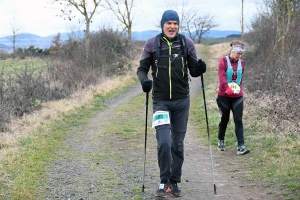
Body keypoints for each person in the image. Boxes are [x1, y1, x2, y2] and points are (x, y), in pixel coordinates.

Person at [137, 9, 206, 198]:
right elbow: (142, 69)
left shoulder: (186, 43)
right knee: (164, 143)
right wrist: (144, 82)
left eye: (175, 23)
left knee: (178, 144)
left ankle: (174, 182)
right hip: (160, 102)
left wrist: (200, 68)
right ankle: (163, 180)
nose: (172, 26)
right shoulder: (152, 44)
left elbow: (193, 70)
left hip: (182, 101)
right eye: (169, 23)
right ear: (163, 25)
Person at [216, 40, 250, 155]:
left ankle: (241, 146)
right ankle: (221, 140)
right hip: (224, 96)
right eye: (238, 53)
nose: (240, 56)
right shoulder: (223, 61)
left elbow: (240, 77)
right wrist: (227, 88)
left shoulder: (242, 63)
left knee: (238, 119)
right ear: (233, 51)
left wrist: (238, 89)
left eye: (241, 54)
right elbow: (222, 77)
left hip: (237, 96)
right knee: (224, 119)